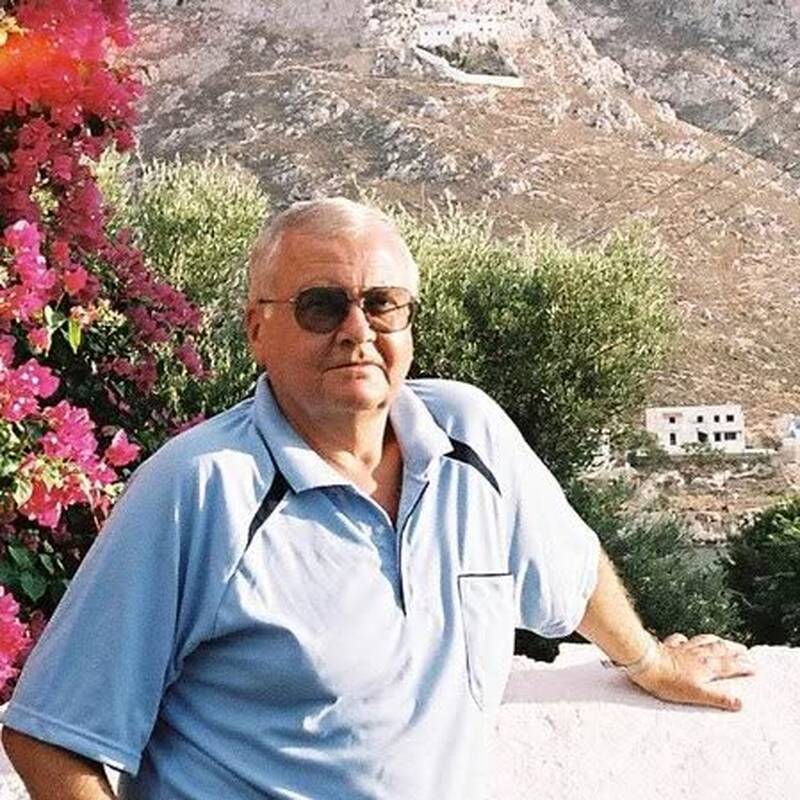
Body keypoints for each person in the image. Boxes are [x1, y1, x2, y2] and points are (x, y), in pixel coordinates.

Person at [1, 198, 754, 799]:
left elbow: (569, 568)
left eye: (383, 303)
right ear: (258, 329)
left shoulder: (472, 437)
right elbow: (49, 734)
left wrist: (649, 660)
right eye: (322, 306)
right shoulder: (201, 486)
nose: (357, 331)